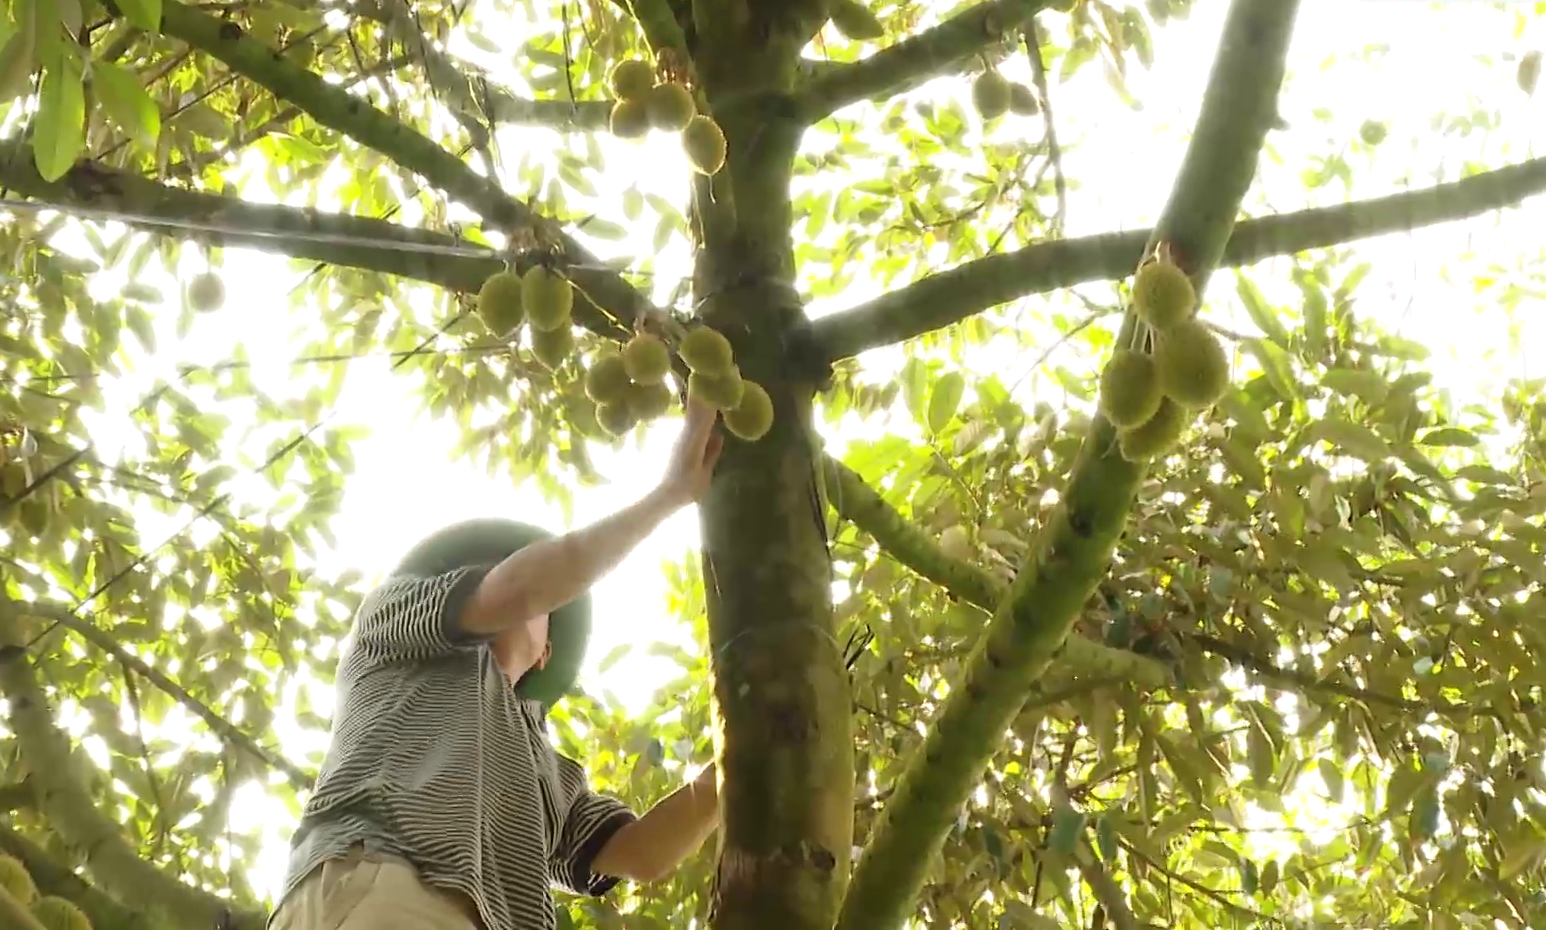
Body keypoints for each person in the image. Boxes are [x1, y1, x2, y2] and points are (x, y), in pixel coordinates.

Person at [268, 400, 727, 930]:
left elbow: (643, 853)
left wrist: (741, 748)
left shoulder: (541, 765)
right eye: (482, 571)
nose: (495, 576)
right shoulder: (396, 621)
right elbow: (519, 587)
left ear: (545, 651)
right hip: (382, 878)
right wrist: (668, 495)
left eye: (541, 607)